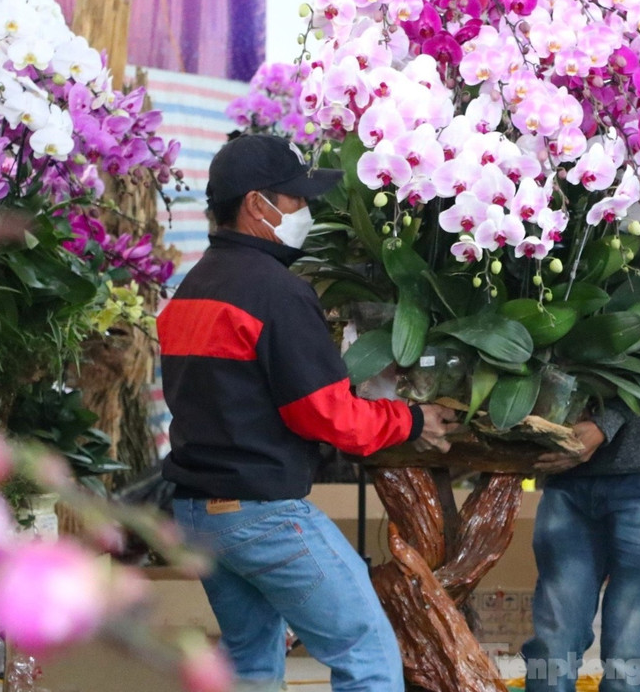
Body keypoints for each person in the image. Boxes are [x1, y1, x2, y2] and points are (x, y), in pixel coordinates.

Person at [159, 134, 458, 691]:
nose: (306, 210)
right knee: (367, 653)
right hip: (262, 515)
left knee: (250, 662)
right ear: (257, 204)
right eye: (295, 198)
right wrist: (412, 419)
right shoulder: (276, 293)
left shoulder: (192, 288)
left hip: (198, 515)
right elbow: (327, 416)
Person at [522, 223, 640, 692]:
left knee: (628, 663)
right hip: (571, 475)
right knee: (550, 650)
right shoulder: (568, 231)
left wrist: (605, 423)